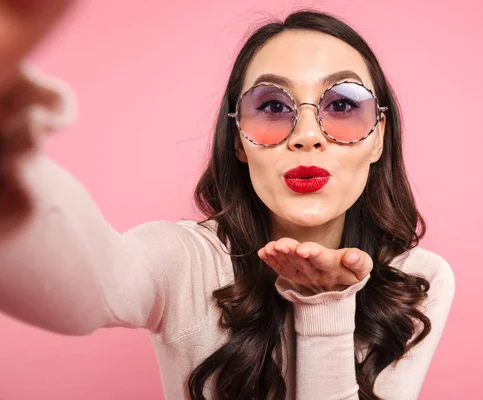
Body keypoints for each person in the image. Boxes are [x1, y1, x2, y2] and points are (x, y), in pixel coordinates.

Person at [0, 3, 455, 399]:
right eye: (274, 107)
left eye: (342, 104)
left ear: (378, 139)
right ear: (238, 140)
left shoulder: (417, 282)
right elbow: (83, 291)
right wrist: (9, 144)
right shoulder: (182, 261)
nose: (308, 136)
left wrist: (326, 306)